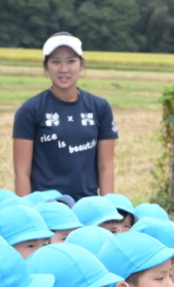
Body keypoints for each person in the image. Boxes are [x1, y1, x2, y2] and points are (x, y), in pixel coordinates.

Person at [13, 32, 118, 200]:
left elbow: (106, 167)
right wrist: (28, 209)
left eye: (71, 61)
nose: (64, 69)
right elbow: (22, 172)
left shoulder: (100, 108)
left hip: (87, 206)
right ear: (45, 65)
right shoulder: (30, 110)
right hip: (46, 206)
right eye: (56, 62)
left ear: (82, 64)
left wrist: (107, 207)